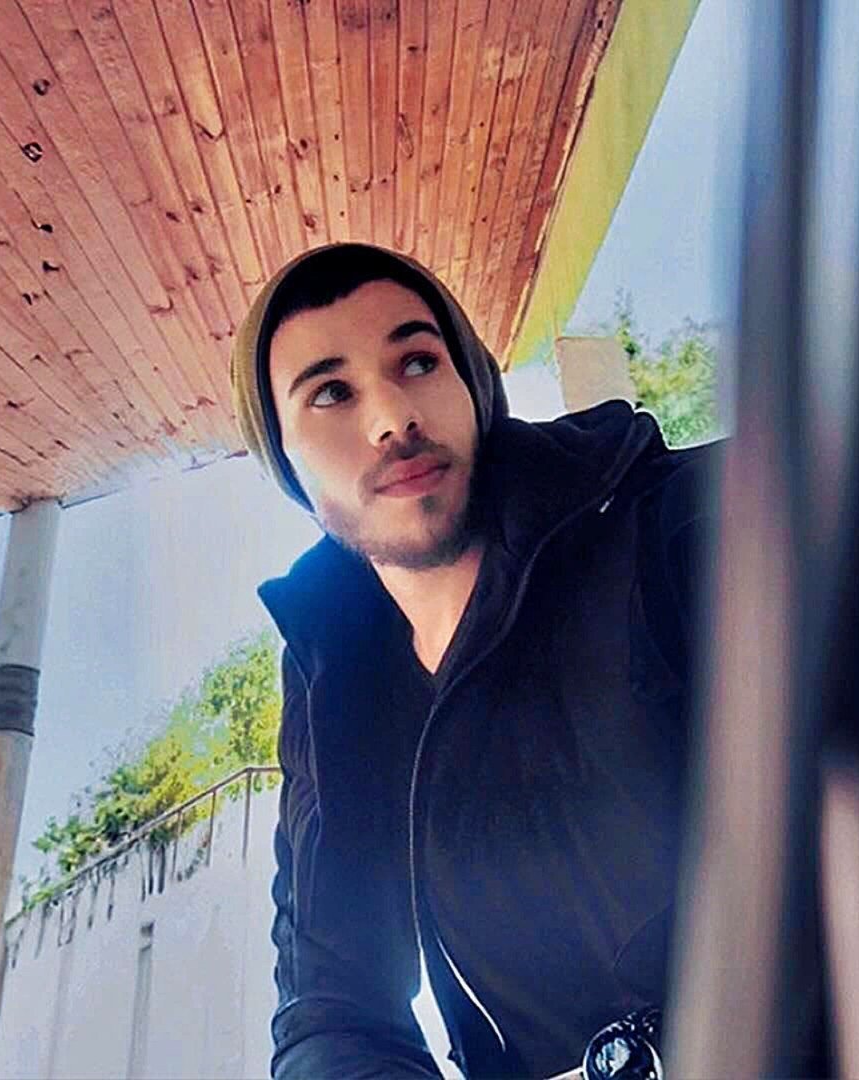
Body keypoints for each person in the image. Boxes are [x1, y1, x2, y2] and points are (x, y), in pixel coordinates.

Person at [227, 242, 731, 1079]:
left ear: (472, 383)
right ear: (286, 462)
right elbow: (330, 1012)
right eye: (332, 393)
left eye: (418, 361)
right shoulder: (334, 690)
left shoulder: (674, 522)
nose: (392, 419)